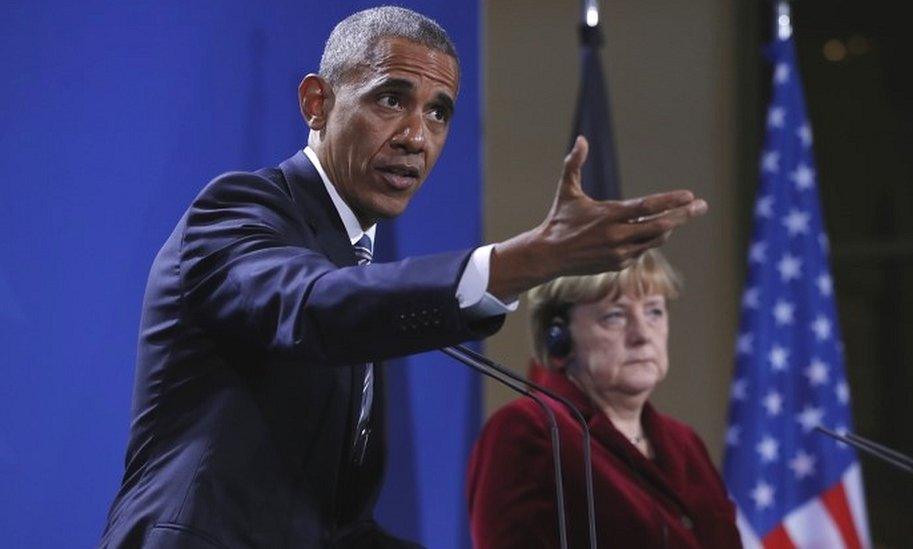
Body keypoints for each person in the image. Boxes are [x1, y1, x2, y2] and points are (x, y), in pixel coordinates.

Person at [99, 6, 707, 549]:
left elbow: (335, 528)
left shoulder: (360, 265)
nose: (416, 136)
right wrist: (529, 259)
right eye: (391, 99)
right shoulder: (238, 212)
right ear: (317, 102)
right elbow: (313, 307)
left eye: (438, 112)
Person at [466, 250, 740, 548]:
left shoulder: (685, 443)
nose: (642, 335)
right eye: (615, 316)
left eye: (654, 312)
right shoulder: (531, 430)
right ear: (558, 337)